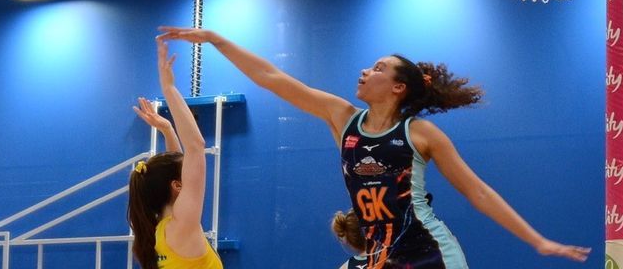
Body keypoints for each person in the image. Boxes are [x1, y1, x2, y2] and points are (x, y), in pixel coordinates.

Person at [158, 26, 591, 268]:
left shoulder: (421, 135)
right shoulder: (342, 117)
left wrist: (538, 241)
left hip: (430, 255)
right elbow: (273, 79)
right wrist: (219, 41)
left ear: (398, 87)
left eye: (378, 68)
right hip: (380, 256)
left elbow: (478, 193)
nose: (366, 71)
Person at [127, 37, 224, 269]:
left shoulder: (160, 229)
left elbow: (178, 161)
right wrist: (169, 89)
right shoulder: (182, 225)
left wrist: (168, 129)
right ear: (177, 186)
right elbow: (195, 146)